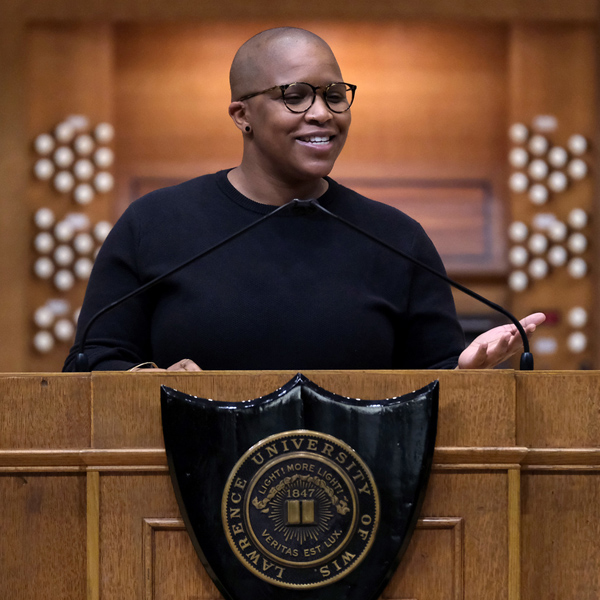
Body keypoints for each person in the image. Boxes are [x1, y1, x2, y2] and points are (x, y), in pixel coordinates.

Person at [63, 27, 544, 373]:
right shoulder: (154, 223)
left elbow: (433, 377)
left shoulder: (397, 237)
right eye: (294, 95)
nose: (321, 113)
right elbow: (89, 363)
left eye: (335, 95)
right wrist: (149, 384)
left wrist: (465, 377)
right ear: (241, 114)